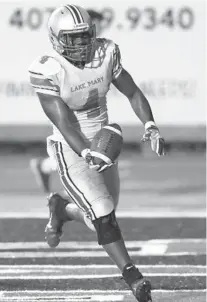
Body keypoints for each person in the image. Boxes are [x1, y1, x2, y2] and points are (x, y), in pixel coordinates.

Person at [28, 4, 165, 301]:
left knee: (101, 216)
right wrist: (87, 153)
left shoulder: (106, 54)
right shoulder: (48, 69)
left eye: (83, 36)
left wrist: (150, 124)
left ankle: (61, 209)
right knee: (103, 212)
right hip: (70, 148)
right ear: (56, 38)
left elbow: (133, 92)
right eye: (72, 38)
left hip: (103, 143)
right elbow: (63, 123)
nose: (80, 44)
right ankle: (132, 275)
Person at [30, 8, 104, 194]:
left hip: (82, 101)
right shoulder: (69, 46)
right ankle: (74, 186)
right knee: (76, 143)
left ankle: (46, 167)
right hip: (69, 100)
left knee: (83, 143)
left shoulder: (94, 47)